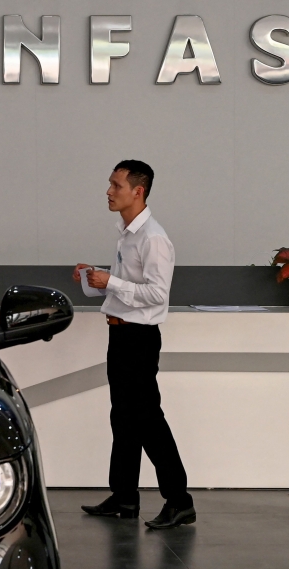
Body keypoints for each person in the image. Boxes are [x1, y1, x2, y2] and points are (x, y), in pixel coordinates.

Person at [74, 160, 195, 529]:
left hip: (140, 338)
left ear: (137, 191)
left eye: (115, 185)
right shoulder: (127, 234)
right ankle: (125, 496)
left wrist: (109, 281)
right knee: (123, 418)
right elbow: (126, 288)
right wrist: (93, 277)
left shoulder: (153, 237)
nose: (109, 191)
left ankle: (179, 500)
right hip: (121, 333)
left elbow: (158, 295)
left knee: (147, 419)